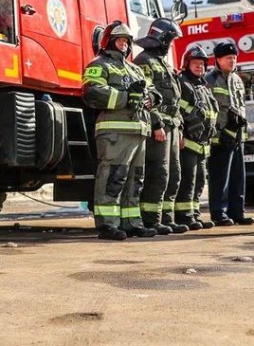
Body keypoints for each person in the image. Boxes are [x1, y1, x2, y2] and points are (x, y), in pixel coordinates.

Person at [82, 21, 159, 240]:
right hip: (114, 132)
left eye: (127, 41)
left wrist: (152, 99)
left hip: (138, 131)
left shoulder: (135, 69)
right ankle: (108, 225)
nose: (124, 45)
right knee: (112, 178)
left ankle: (131, 223)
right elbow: (92, 92)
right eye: (120, 40)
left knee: (135, 180)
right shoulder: (99, 64)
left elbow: (152, 92)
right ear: (109, 41)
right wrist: (127, 97)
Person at [133, 18, 189, 234]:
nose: (172, 44)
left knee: (173, 174)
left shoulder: (162, 62)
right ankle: (151, 219)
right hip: (160, 127)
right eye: (171, 40)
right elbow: (147, 97)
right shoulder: (144, 61)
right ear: (162, 38)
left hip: (173, 126)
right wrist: (156, 124)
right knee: (158, 174)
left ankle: (167, 218)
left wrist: (180, 127)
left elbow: (174, 98)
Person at [205, 42, 254, 226]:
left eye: (234, 58)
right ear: (218, 60)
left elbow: (241, 106)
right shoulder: (209, 80)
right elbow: (209, 109)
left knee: (238, 177)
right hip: (220, 138)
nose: (232, 61)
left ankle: (238, 212)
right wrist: (222, 129)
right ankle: (219, 213)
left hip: (237, 137)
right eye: (229, 58)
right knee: (220, 178)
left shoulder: (237, 80)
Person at [175, 45, 219, 230]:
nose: (199, 67)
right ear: (187, 64)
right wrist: (180, 132)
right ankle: (184, 216)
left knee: (200, 180)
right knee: (188, 180)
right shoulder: (182, 83)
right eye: (195, 63)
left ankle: (194, 214)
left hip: (202, 142)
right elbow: (177, 108)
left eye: (201, 64)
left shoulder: (203, 85)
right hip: (188, 141)